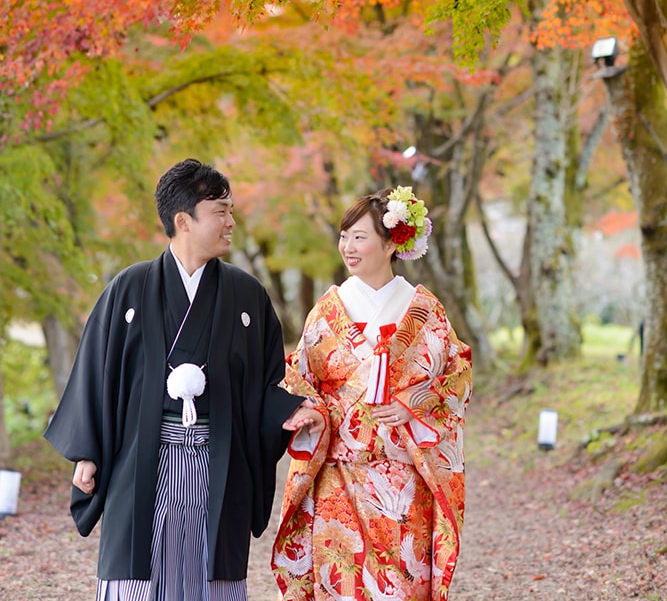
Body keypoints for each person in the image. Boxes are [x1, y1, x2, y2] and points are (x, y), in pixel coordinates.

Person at [44, 158, 323, 601]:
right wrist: (87, 453)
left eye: (231, 211)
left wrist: (290, 410)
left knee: (209, 577)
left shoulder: (247, 295)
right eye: (221, 211)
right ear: (183, 220)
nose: (232, 222)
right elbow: (97, 374)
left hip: (218, 459)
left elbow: (264, 383)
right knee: (138, 579)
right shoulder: (129, 288)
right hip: (141, 460)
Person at [272, 186, 472, 601]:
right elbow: (299, 376)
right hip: (338, 472)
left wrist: (414, 404)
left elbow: (457, 373)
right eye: (344, 236)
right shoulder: (328, 308)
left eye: (359, 236)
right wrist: (309, 410)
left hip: (403, 475)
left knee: (400, 583)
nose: (348, 246)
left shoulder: (423, 308)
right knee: (341, 582)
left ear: (391, 242)